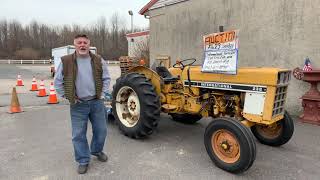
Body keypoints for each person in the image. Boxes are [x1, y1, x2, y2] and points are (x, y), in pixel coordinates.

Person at [54, 34, 111, 174]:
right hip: (78, 104)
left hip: (96, 102)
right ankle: (83, 160)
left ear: (89, 44)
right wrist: (68, 96)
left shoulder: (98, 60)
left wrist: (102, 94)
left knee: (101, 130)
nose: (82, 45)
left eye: (85, 42)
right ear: (75, 45)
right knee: (78, 134)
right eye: (79, 42)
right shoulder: (66, 61)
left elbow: (106, 78)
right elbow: (58, 82)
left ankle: (97, 150)